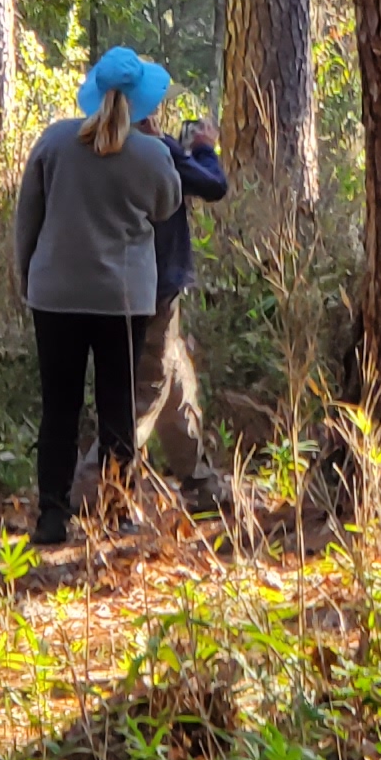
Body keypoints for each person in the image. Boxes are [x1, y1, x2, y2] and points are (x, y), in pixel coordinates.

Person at [10, 46, 186, 547]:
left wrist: (28, 280)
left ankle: (51, 517)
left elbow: (29, 221)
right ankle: (116, 512)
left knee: (59, 408)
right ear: (141, 101)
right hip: (121, 299)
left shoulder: (54, 142)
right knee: (117, 406)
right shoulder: (150, 154)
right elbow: (167, 203)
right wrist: (157, 146)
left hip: (55, 295)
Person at [134, 111, 230, 511]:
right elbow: (213, 185)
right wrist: (201, 149)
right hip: (153, 288)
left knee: (175, 381)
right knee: (146, 392)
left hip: (138, 287)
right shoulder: (155, 152)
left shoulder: (102, 148)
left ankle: (200, 483)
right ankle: (95, 490)